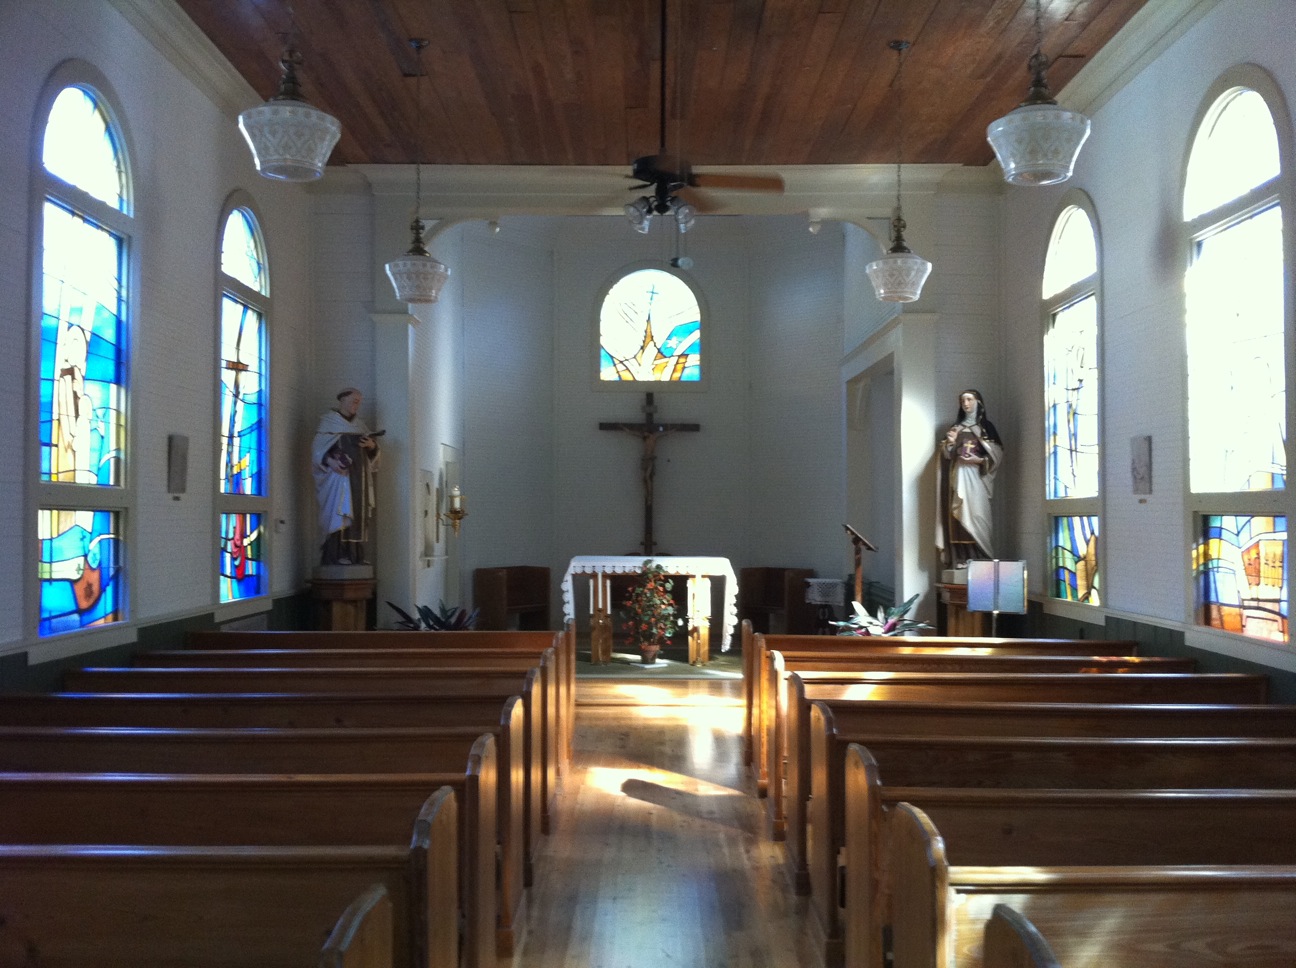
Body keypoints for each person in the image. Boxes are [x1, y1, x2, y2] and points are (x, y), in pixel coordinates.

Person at [312, 388, 380, 565]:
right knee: (340, 515)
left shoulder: (360, 426)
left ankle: (355, 555)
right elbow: (317, 451)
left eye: (359, 401)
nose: (357, 405)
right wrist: (329, 460)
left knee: (357, 515)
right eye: (354, 400)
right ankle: (336, 554)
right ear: (342, 400)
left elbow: (372, 456)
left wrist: (372, 446)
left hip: (360, 479)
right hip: (338, 479)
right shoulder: (329, 423)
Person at [936, 388, 1003, 566]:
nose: (965, 404)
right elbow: (946, 455)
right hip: (958, 477)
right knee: (959, 514)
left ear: (978, 403)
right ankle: (961, 558)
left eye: (969, 400)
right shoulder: (955, 428)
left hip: (977, 478)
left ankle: (982, 557)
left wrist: (979, 460)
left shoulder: (986, 428)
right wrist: (950, 442)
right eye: (962, 401)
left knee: (978, 515)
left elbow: (997, 455)